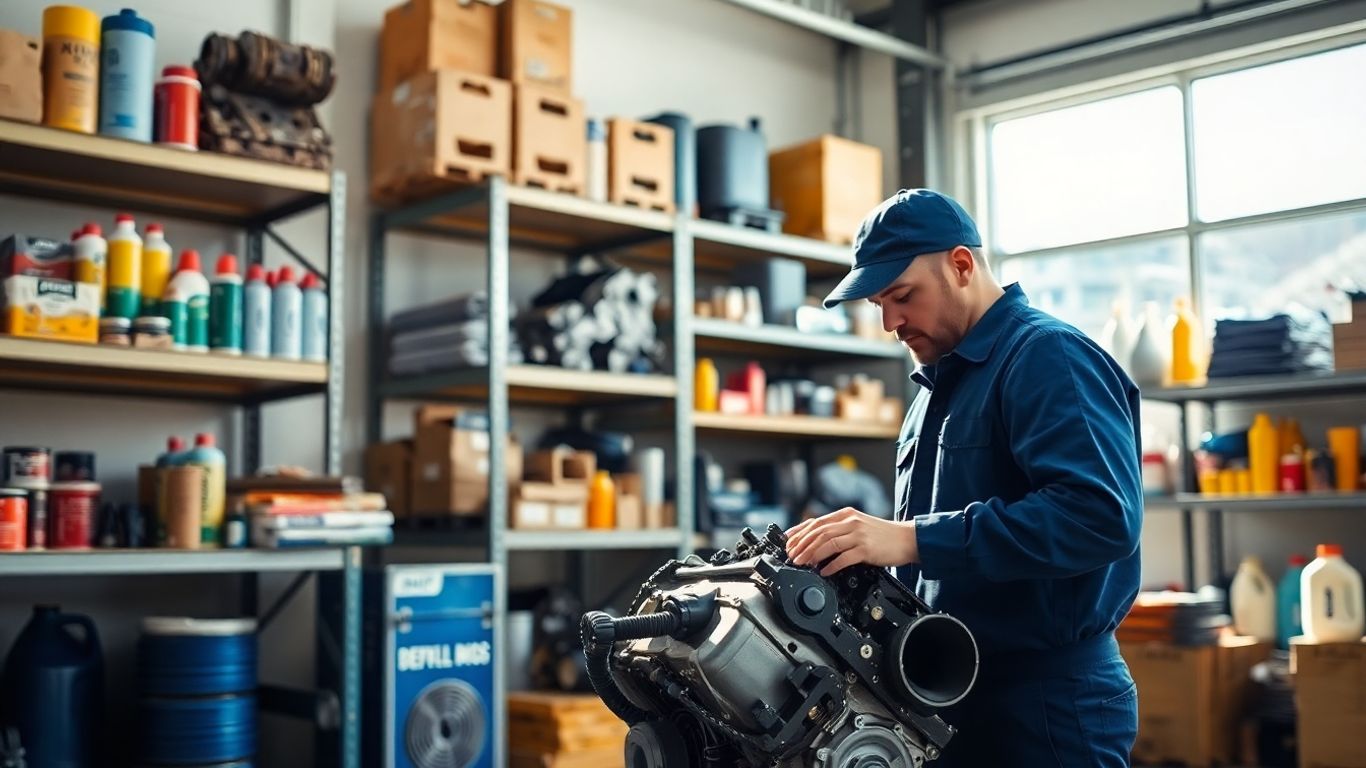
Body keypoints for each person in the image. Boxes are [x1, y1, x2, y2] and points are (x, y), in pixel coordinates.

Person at [784, 188, 1144, 767]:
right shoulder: (933, 389)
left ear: (960, 265)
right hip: (945, 693)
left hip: (1045, 705)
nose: (889, 322)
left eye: (902, 297)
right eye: (879, 303)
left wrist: (911, 538)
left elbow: (1098, 517)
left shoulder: (1048, 357)